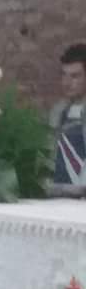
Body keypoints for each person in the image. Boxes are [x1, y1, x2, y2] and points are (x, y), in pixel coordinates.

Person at [49, 45, 86, 196]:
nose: (67, 82)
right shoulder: (58, 111)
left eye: (75, 76)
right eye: (64, 75)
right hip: (57, 195)